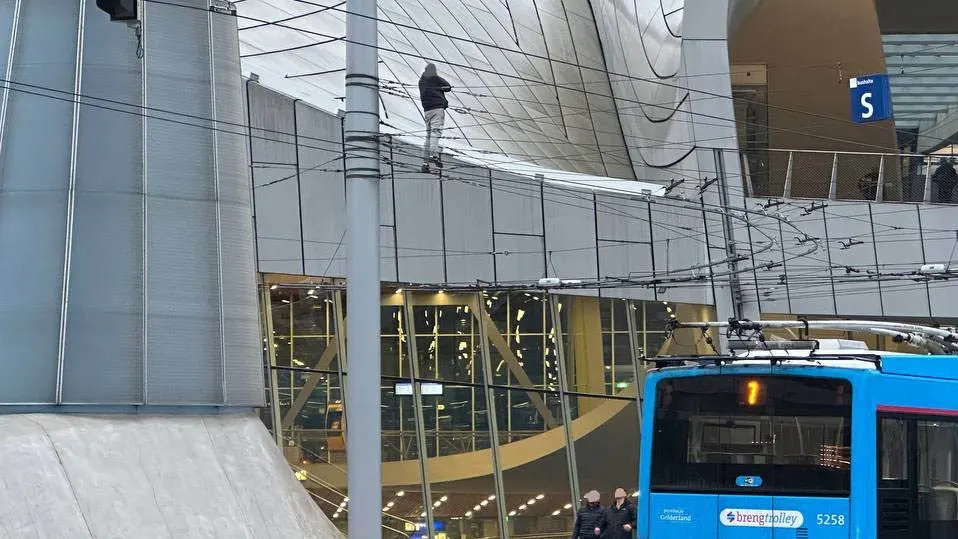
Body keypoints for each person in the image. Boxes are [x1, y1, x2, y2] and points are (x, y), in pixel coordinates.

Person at [418, 63, 451, 172]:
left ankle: (425, 163)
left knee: (428, 136)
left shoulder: (421, 81)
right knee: (435, 132)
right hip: (437, 109)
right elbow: (448, 87)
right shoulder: (435, 78)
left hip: (427, 110)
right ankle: (433, 155)